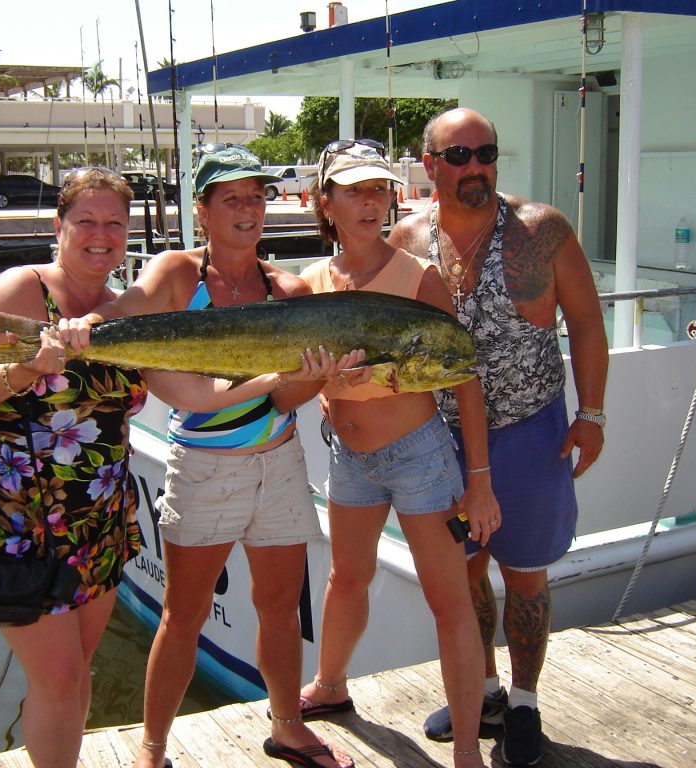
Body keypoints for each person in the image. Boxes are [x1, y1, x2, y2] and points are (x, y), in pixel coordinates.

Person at [0, 167, 335, 768]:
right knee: (63, 676)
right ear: (59, 226)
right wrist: (29, 365)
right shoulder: (23, 288)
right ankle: (148, 752)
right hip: (17, 515)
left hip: (97, 513)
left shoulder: (121, 314)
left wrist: (305, 377)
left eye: (115, 223)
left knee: (77, 678)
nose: (102, 234)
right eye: (86, 221)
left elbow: (196, 394)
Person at [60, 146, 357, 768]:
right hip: (202, 468)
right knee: (185, 614)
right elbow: (124, 311)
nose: (247, 210)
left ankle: (287, 725)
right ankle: (153, 747)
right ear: (203, 210)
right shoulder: (176, 275)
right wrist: (84, 326)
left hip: (278, 462)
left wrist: (319, 377)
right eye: (231, 198)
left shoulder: (291, 289)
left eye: (256, 196)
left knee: (279, 607)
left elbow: (288, 399)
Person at [389, 107, 609, 767]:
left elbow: (590, 325)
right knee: (462, 575)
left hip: (529, 432)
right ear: (429, 166)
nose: (476, 167)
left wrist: (591, 415)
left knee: (527, 575)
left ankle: (524, 703)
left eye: (485, 152)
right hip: (439, 437)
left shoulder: (541, 231)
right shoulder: (405, 240)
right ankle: (480, 688)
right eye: (458, 157)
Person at [293, 138, 501, 768]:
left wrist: (480, 481)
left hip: (420, 459)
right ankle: (330, 685)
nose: (368, 202)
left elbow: (465, 380)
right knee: (345, 578)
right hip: (348, 457)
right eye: (353, 190)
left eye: (378, 189)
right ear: (324, 202)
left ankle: (466, 749)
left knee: (449, 600)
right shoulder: (308, 285)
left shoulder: (420, 278)